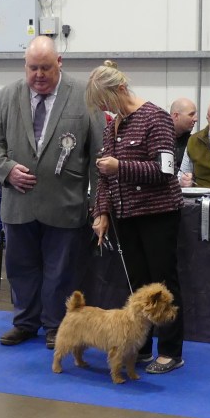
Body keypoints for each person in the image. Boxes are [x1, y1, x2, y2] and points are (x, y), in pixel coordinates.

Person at [0, 36, 104, 349]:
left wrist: (97, 204)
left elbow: (98, 153)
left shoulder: (84, 95)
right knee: (20, 268)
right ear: (25, 67)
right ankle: (25, 322)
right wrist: (6, 169)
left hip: (66, 203)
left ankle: (56, 326)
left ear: (59, 63)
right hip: (18, 203)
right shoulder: (6, 96)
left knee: (60, 270)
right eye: (33, 68)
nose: (39, 75)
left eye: (46, 68)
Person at [86, 60, 186, 374]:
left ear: (120, 89)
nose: (104, 108)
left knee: (163, 285)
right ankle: (141, 344)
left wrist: (121, 167)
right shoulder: (111, 126)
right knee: (138, 286)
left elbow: (165, 170)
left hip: (158, 214)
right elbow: (103, 174)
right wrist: (101, 211)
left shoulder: (156, 118)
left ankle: (170, 350)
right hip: (124, 217)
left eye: (105, 101)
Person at [169, 97, 198, 169]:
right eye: (191, 114)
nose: (195, 119)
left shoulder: (195, 142)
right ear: (176, 116)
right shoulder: (158, 141)